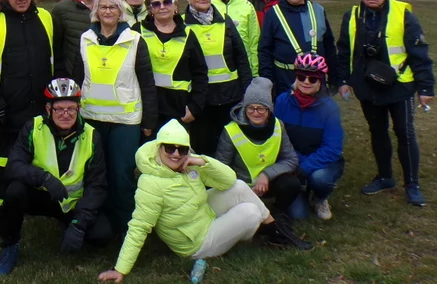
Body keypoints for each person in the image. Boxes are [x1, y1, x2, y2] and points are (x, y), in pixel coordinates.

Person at [97, 120, 301, 284]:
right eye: (169, 148)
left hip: (203, 215)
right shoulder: (150, 183)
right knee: (250, 212)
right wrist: (120, 269)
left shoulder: (188, 165)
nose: (176, 154)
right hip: (194, 243)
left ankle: (273, 228)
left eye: (182, 149)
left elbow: (228, 180)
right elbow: (139, 227)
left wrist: (202, 161)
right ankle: (272, 230)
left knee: (239, 187)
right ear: (159, 148)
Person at [0, 78, 112, 276]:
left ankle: (68, 224)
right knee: (15, 191)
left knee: (102, 235)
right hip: (41, 196)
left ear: (79, 108)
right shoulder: (33, 128)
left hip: (72, 202)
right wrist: (44, 178)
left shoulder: (91, 136)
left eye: (71, 109)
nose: (66, 114)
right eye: (59, 109)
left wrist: (79, 224)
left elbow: (97, 186)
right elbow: (13, 166)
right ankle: (10, 245)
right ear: (48, 109)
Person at [336, 0, 435, 207]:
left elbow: (419, 52)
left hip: (399, 85)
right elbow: (344, 51)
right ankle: (385, 176)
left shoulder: (403, 14)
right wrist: (343, 81)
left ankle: (412, 184)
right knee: (377, 132)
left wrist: (425, 88)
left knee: (405, 133)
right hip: (367, 86)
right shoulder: (352, 15)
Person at [70, 0, 158, 232]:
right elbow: (77, 78)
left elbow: (147, 83)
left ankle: (126, 226)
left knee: (121, 175)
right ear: (95, 11)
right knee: (95, 174)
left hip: (125, 120)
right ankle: (98, 222)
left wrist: (149, 120)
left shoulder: (134, 39)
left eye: (113, 7)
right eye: (103, 7)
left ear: (121, 12)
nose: (108, 11)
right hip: (91, 118)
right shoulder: (85, 38)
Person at [0, 0, 55, 215]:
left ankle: (31, 199)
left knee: (38, 154)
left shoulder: (45, 17)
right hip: (6, 105)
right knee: (2, 156)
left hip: (40, 104)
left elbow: (54, 58)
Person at [214, 78, 311, 249]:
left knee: (291, 184)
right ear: (245, 107)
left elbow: (291, 159)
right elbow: (221, 168)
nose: (256, 112)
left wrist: (266, 175)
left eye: (261, 108)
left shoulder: (278, 125)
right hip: (242, 188)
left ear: (269, 109)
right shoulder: (231, 130)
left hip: (269, 183)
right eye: (251, 107)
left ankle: (278, 215)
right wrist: (242, 188)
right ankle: (274, 228)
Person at [182, 0, 252, 157]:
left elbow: (241, 57)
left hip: (229, 94)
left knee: (228, 143)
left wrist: (247, 89)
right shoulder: (182, 25)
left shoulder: (225, 21)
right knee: (202, 144)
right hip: (200, 97)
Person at [274, 54, 345, 220]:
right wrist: (294, 163)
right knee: (298, 216)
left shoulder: (330, 108)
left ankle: (320, 197)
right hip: (292, 162)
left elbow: (332, 148)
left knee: (320, 179)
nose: (306, 82)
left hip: (321, 164)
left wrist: (304, 168)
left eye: (313, 79)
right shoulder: (282, 102)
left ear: (320, 81)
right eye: (301, 76)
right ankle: (301, 189)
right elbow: (276, 139)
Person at [136, 0, 208, 133]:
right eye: (156, 4)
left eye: (167, 2)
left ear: (176, 5)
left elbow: (200, 74)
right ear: (150, 9)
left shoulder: (188, 34)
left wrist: (195, 108)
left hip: (179, 112)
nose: (162, 7)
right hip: (146, 111)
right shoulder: (137, 31)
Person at [258, 0, 340, 97]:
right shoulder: (273, 14)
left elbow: (329, 45)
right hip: (285, 81)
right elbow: (265, 50)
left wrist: (335, 78)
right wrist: (267, 82)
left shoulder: (318, 10)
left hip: (315, 81)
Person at [53, 0, 105, 76]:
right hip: (73, 76)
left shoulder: (109, 8)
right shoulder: (61, 9)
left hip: (103, 73)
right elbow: (56, 48)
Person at [212, 0, 262, 77]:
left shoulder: (247, 6)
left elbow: (254, 41)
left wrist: (254, 72)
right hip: (216, 72)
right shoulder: (209, 7)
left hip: (243, 68)